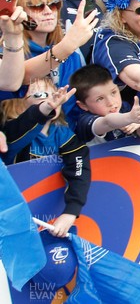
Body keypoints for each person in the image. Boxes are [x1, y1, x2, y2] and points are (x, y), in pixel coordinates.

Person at [0, 78, 89, 238]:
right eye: (39, 94)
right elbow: (15, 137)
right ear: (18, 103)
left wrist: (71, 212)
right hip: (9, 219)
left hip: (44, 220)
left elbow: (79, 167)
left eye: (54, 94)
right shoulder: (11, 131)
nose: (51, 99)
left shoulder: (62, 134)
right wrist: (45, 108)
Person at [69, 64, 140, 145]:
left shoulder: (124, 108)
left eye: (113, 92)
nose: (111, 102)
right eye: (100, 99)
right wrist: (128, 118)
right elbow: (107, 122)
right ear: (83, 105)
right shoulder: (84, 121)